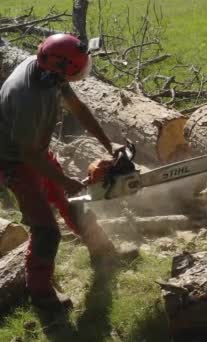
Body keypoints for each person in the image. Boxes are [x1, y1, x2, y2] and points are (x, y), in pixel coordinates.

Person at [0, 34, 135, 311]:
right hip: (12, 161)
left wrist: (110, 145)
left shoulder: (49, 72)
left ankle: (103, 252)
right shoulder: (26, 96)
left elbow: (79, 108)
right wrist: (64, 180)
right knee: (46, 230)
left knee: (75, 203)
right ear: (58, 68)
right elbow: (28, 156)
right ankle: (42, 295)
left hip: (35, 149)